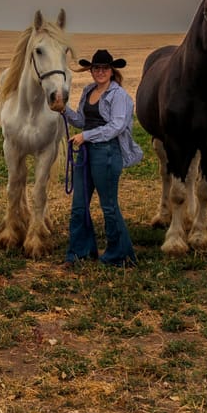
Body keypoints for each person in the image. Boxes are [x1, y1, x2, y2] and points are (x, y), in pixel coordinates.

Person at [63, 49, 142, 266]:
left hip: (107, 152)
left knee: (108, 205)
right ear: (91, 70)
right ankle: (79, 252)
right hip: (87, 152)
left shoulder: (119, 96)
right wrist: (64, 110)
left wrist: (86, 136)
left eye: (104, 68)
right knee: (79, 205)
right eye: (96, 68)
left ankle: (120, 255)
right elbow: (81, 120)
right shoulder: (88, 90)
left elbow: (116, 127)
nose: (100, 72)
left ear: (111, 70)